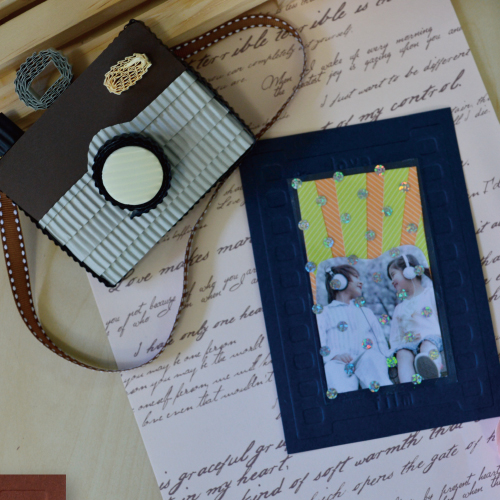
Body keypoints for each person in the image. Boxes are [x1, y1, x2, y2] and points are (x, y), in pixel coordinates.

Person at [316, 264, 392, 394]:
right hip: (338, 363)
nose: (360, 282)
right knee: (333, 373)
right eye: (356, 277)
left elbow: (381, 343)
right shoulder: (324, 313)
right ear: (339, 281)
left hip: (367, 360)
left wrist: (384, 358)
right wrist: (333, 357)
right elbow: (320, 344)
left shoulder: (366, 313)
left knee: (373, 361)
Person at [387, 254, 443, 382]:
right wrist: (400, 346)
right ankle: (408, 386)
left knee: (427, 344)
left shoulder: (431, 293)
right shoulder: (399, 308)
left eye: (393, 274)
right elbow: (395, 337)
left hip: (433, 338)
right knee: (402, 354)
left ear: (408, 271)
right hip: (409, 345)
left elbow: (443, 321)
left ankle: (431, 370)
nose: (391, 280)